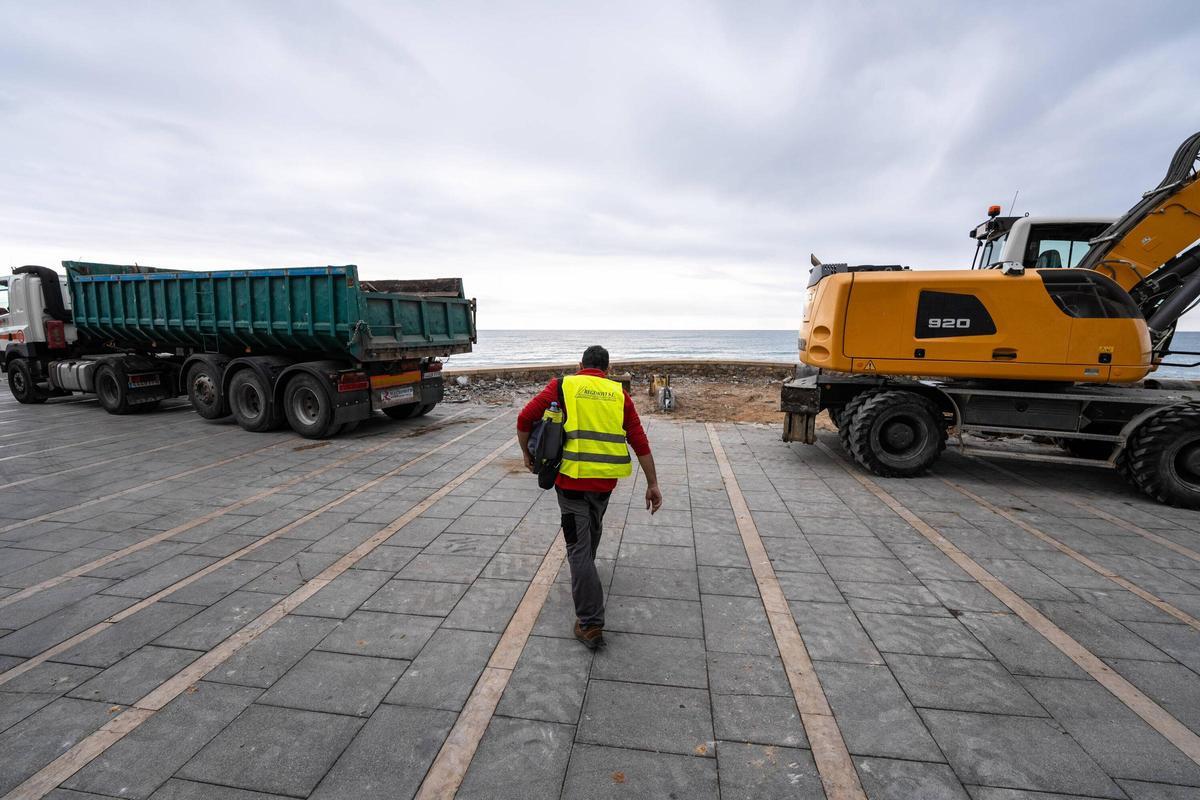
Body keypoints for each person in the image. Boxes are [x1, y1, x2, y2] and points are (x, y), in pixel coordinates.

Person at [517, 345, 662, 650]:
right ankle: (588, 573)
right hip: (605, 483)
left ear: (580, 364)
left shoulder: (563, 386)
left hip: (570, 481)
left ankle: (590, 623)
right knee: (592, 527)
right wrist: (653, 483)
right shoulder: (618, 394)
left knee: (577, 546)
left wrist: (526, 457)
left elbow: (525, 418)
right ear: (607, 370)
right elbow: (639, 439)